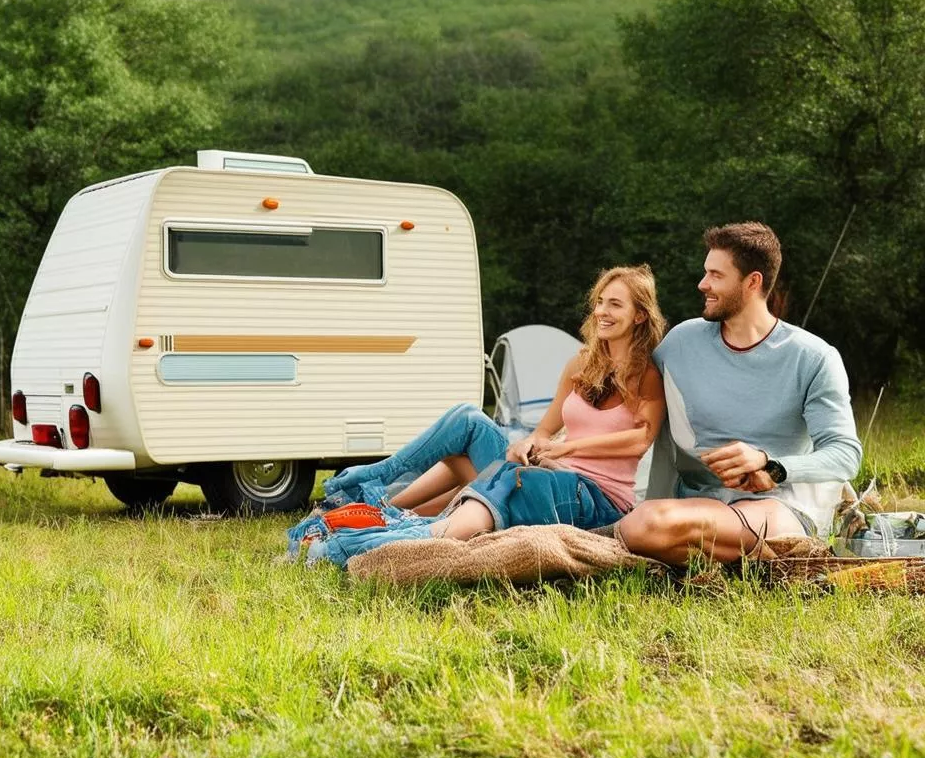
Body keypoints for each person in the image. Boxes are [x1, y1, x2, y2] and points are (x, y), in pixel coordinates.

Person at [303, 265, 667, 565]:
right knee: (467, 420)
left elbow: (641, 439)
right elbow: (544, 430)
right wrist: (529, 444)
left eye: (615, 305)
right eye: (599, 302)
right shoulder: (581, 365)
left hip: (596, 495)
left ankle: (371, 518)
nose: (602, 312)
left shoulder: (646, 374)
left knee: (473, 477)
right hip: (553, 471)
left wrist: (568, 449)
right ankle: (377, 478)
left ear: (639, 315)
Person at [618, 222, 862, 564]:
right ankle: (753, 561)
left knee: (647, 525)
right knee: (647, 524)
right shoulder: (681, 343)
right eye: (706, 272)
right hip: (697, 502)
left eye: (716, 275)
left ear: (752, 282)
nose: (703, 284)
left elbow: (845, 454)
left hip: (778, 507)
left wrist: (770, 465)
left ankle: (712, 555)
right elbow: (631, 403)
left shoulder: (813, 357)